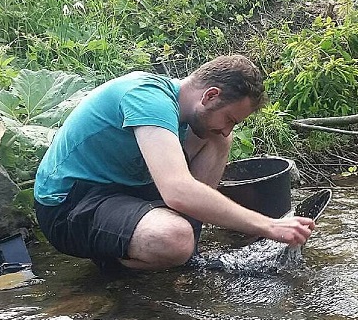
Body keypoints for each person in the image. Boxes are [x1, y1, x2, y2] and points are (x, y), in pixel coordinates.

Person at [33, 55, 315, 271]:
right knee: (174, 239)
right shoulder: (147, 97)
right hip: (68, 204)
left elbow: (193, 170)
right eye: (229, 119)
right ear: (210, 95)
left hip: (123, 190)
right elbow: (177, 190)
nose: (229, 128)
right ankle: (123, 259)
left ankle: (177, 246)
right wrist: (267, 226)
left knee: (216, 140)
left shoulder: (183, 110)